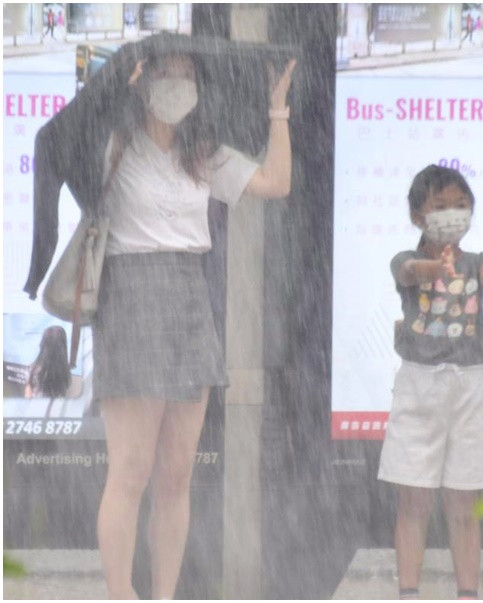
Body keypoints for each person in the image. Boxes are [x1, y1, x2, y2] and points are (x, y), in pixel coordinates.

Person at [92, 50, 296, 599]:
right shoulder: (114, 146)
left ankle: (163, 595)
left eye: (186, 76)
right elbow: (73, 139)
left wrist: (278, 111)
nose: (177, 85)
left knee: (177, 474)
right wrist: (116, 90)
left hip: (189, 298)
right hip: (131, 297)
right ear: (142, 83)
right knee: (130, 470)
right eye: (165, 74)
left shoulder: (202, 153)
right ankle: (121, 595)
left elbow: (277, 182)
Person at [378, 165, 483, 600]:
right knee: (414, 500)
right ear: (418, 215)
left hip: (470, 389)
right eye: (440, 207)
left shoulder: (476, 262)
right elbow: (410, 272)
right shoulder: (405, 258)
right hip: (419, 387)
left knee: (464, 503)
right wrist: (432, 267)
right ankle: (408, 592)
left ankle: (467, 594)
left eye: (461, 205)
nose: (452, 214)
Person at [25, 325, 71, 400]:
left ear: (43, 343)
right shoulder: (65, 370)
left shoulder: (33, 369)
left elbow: (28, 394)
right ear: (63, 345)